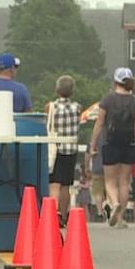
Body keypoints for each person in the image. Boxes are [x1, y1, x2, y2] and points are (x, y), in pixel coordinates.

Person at [90, 68, 135, 229]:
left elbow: (99, 123)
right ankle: (121, 217)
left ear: (115, 82)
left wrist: (93, 144)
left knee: (110, 180)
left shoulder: (107, 100)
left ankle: (114, 203)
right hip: (129, 143)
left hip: (110, 142)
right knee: (124, 181)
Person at [45, 75, 83, 226]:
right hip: (71, 149)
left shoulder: (51, 107)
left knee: (54, 183)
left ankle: (54, 214)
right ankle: (64, 215)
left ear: (56, 90)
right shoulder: (77, 108)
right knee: (66, 184)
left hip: (55, 148)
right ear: (72, 91)